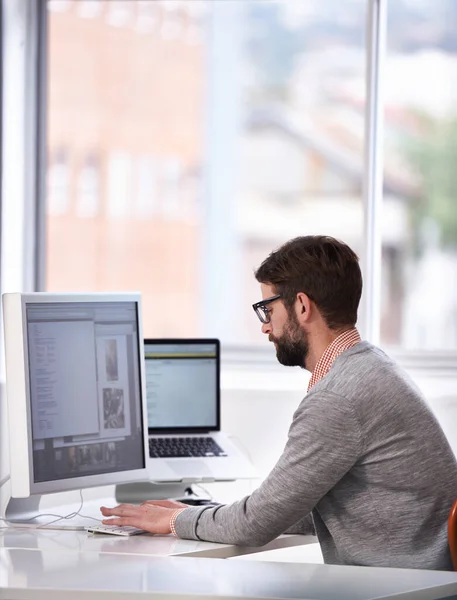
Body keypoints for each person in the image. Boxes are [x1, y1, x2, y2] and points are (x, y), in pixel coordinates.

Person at [101, 235, 457, 570]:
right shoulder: (370, 366)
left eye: (266, 309)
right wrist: (208, 514)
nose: (264, 327)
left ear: (301, 306)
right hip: (420, 578)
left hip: (409, 587)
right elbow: (295, 505)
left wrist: (175, 520)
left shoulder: (339, 397)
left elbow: (255, 525)